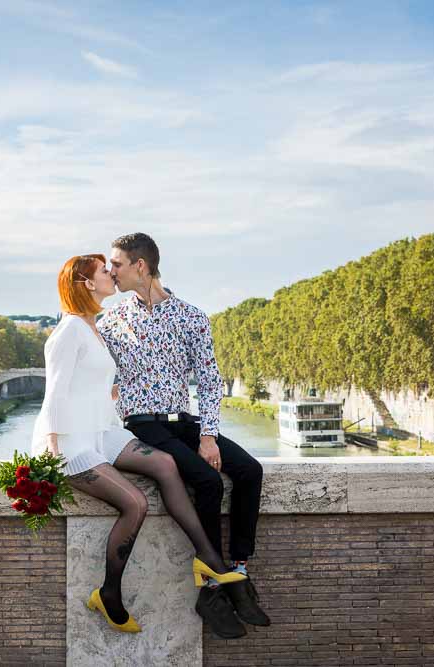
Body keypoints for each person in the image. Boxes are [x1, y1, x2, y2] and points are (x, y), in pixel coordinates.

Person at [31, 253, 246, 635]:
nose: (111, 274)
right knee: (135, 503)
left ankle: (209, 559)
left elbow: (97, 382)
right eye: (103, 271)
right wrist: (52, 444)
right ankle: (108, 593)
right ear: (86, 284)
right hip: (73, 440)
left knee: (165, 464)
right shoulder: (67, 331)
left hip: (103, 431)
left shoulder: (95, 326)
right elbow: (55, 393)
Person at [98, 233, 271, 638]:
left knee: (249, 470)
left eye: (117, 264)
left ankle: (239, 567)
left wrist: (208, 435)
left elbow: (211, 382)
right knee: (207, 481)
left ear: (141, 266)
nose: (111, 272)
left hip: (184, 421)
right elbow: (86, 369)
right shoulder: (111, 320)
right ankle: (214, 584)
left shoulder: (191, 316)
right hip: (143, 424)